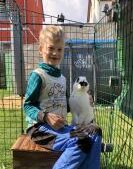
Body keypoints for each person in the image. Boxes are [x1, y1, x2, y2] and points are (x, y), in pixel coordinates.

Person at [23, 25, 102, 169]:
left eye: (59, 49)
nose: (55, 53)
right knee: (81, 141)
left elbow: (68, 104)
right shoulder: (38, 75)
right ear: (41, 49)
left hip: (61, 128)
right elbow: (27, 106)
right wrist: (46, 116)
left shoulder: (62, 78)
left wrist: (85, 100)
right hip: (40, 130)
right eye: (51, 48)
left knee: (95, 132)